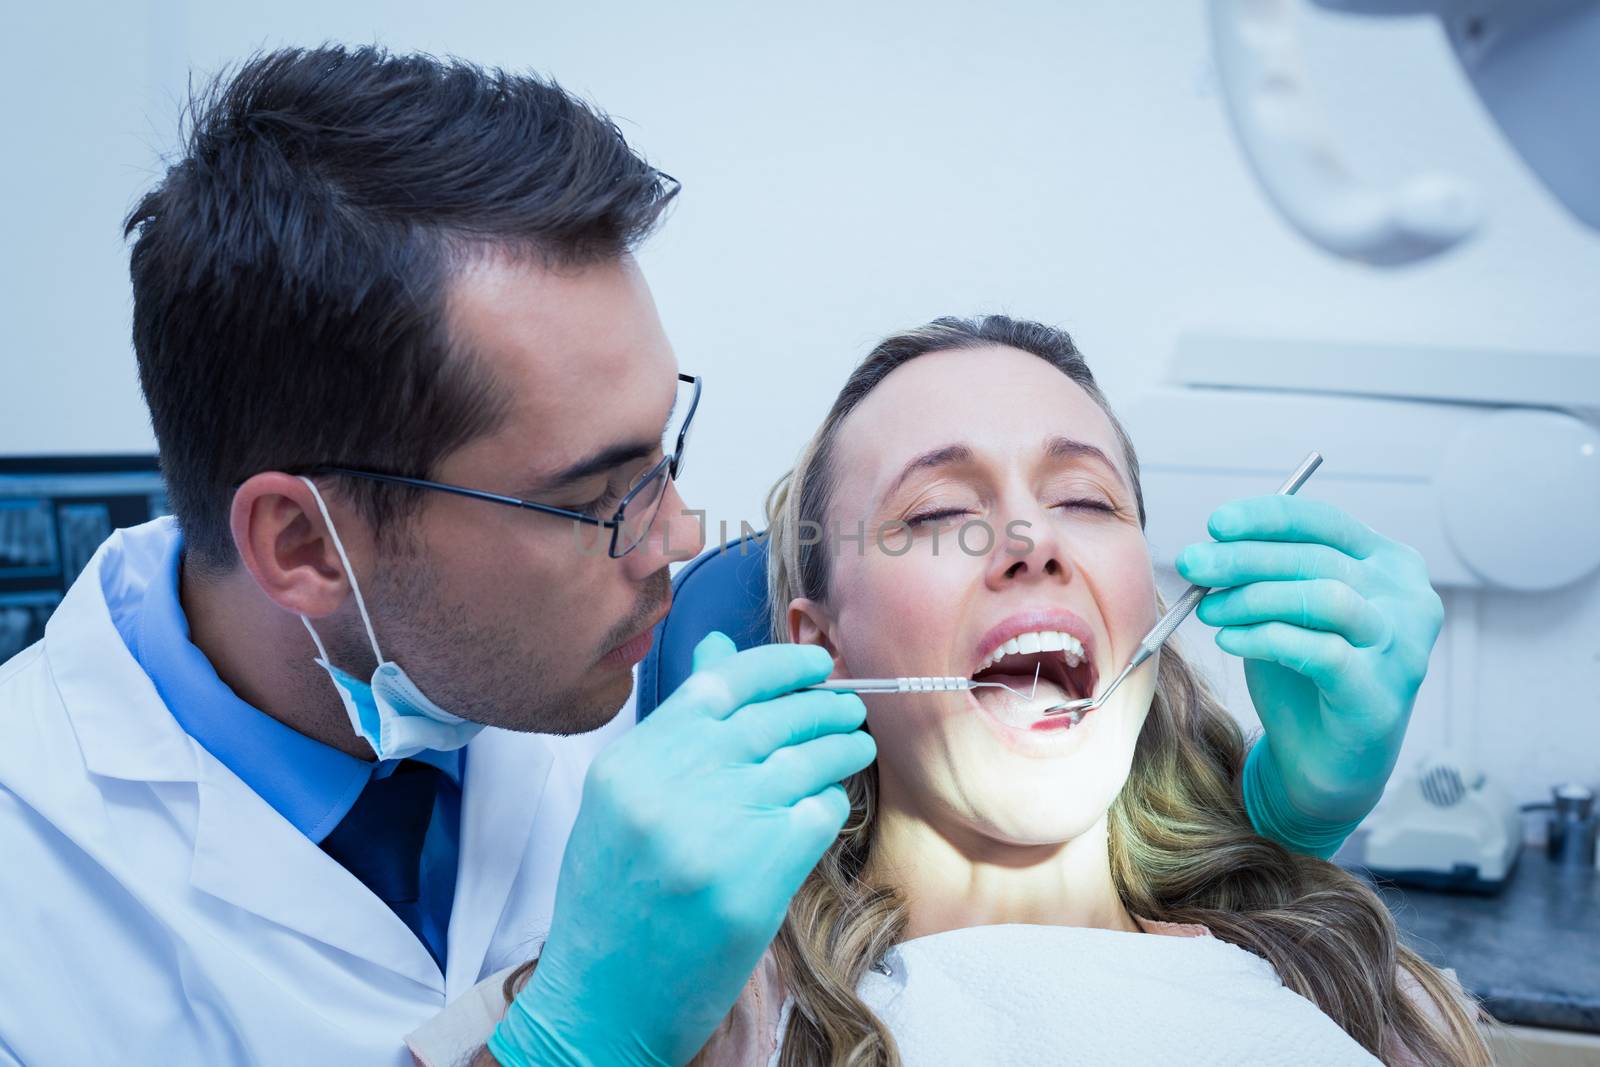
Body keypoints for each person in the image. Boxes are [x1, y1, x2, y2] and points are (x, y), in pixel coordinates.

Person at [0, 46, 1432, 1067]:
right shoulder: (31, 913)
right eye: (595, 496)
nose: (684, 543)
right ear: (307, 543)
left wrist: (1274, 843)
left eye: (1088, 499)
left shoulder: (600, 660)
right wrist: (575, 1045)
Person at [423, 315, 1474, 1067]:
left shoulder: (1348, 983)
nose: (1028, 542)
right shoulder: (668, 997)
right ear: (818, 648)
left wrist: (1286, 857)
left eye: (1083, 497)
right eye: (934, 515)